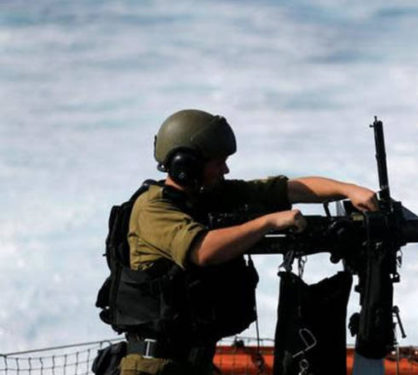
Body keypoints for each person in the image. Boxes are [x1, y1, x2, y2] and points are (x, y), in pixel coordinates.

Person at [114, 109, 378, 375]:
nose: (226, 169)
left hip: (194, 362)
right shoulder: (152, 208)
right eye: (218, 163)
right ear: (187, 166)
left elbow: (287, 189)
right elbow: (203, 249)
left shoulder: (209, 196)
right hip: (154, 366)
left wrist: (347, 190)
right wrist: (267, 223)